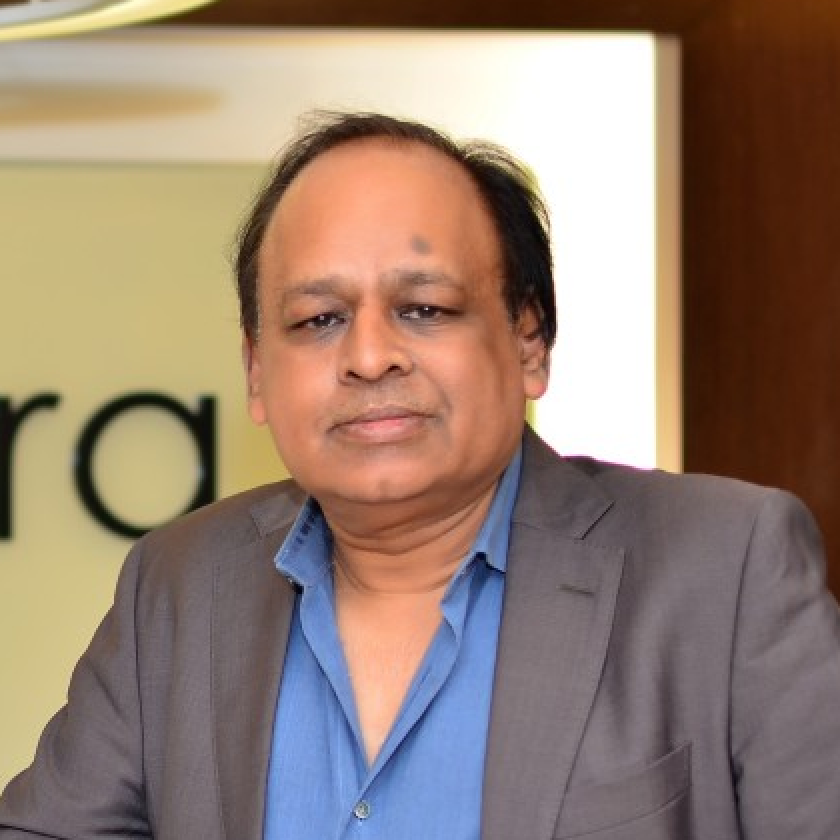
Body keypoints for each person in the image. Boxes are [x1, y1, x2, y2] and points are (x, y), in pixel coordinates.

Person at [1, 112, 839, 840]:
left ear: (529, 342)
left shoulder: (726, 568)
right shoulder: (181, 585)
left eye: (425, 309)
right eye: (318, 319)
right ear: (256, 370)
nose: (370, 356)